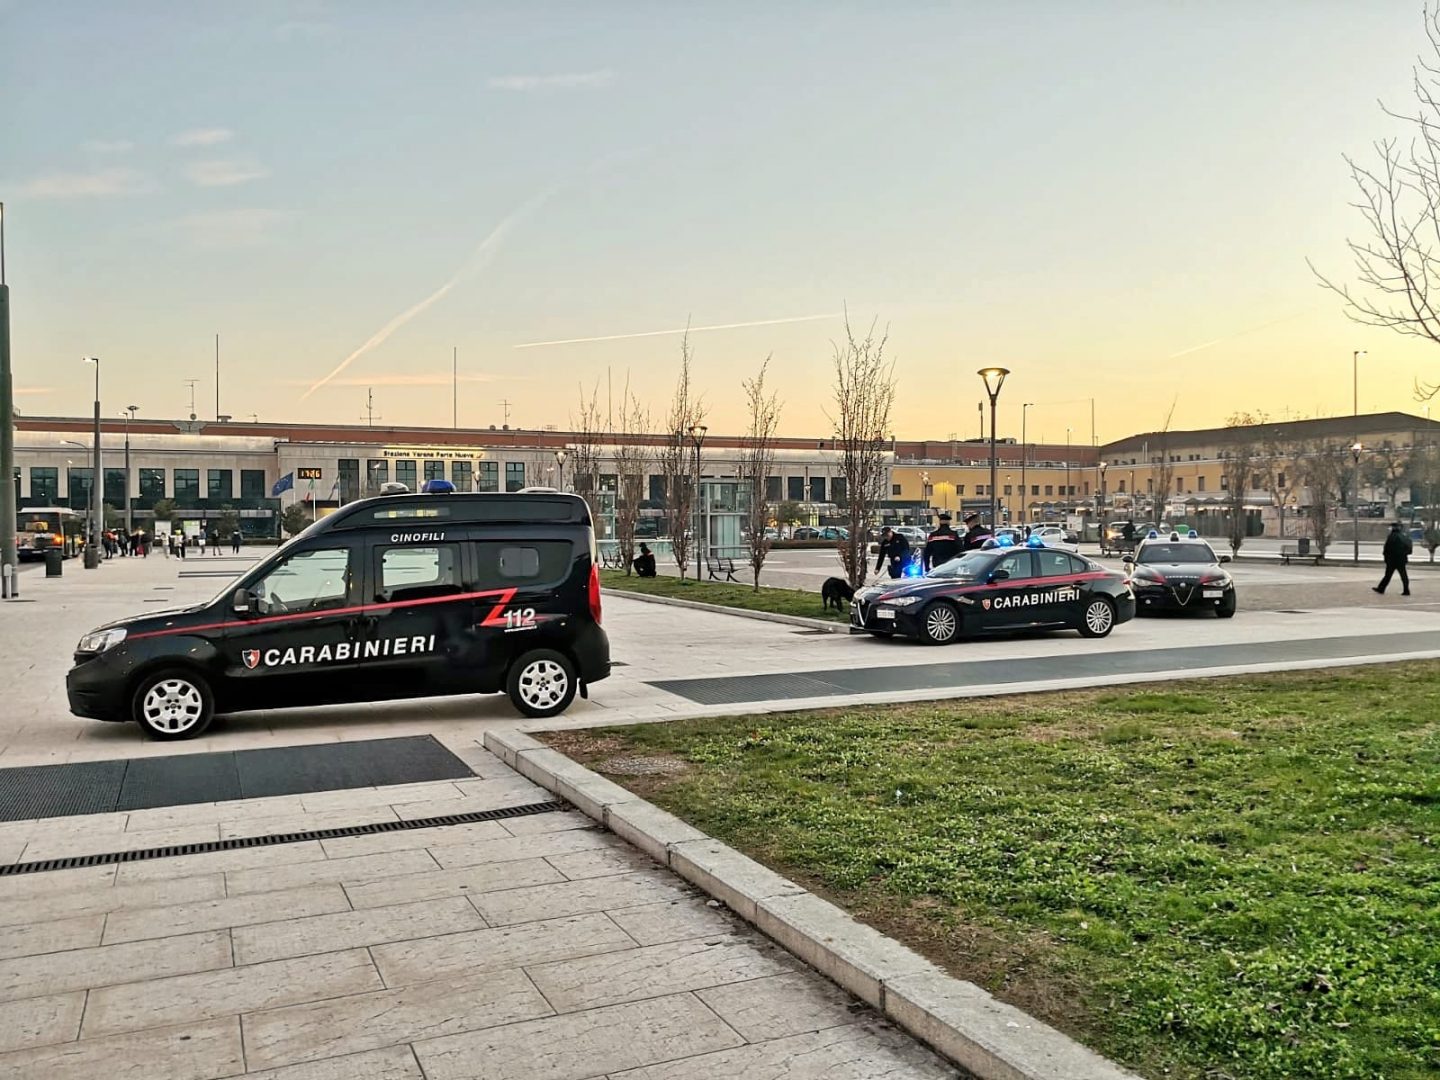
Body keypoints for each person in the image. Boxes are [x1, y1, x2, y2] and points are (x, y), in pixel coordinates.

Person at [1375, 521, 1412, 596]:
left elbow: (1387, 548)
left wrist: (1385, 556)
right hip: (1401, 559)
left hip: (1392, 560)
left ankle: (1381, 589)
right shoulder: (1404, 536)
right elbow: (1409, 548)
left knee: (1388, 575)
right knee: (1403, 576)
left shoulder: (1392, 536)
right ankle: (1406, 590)